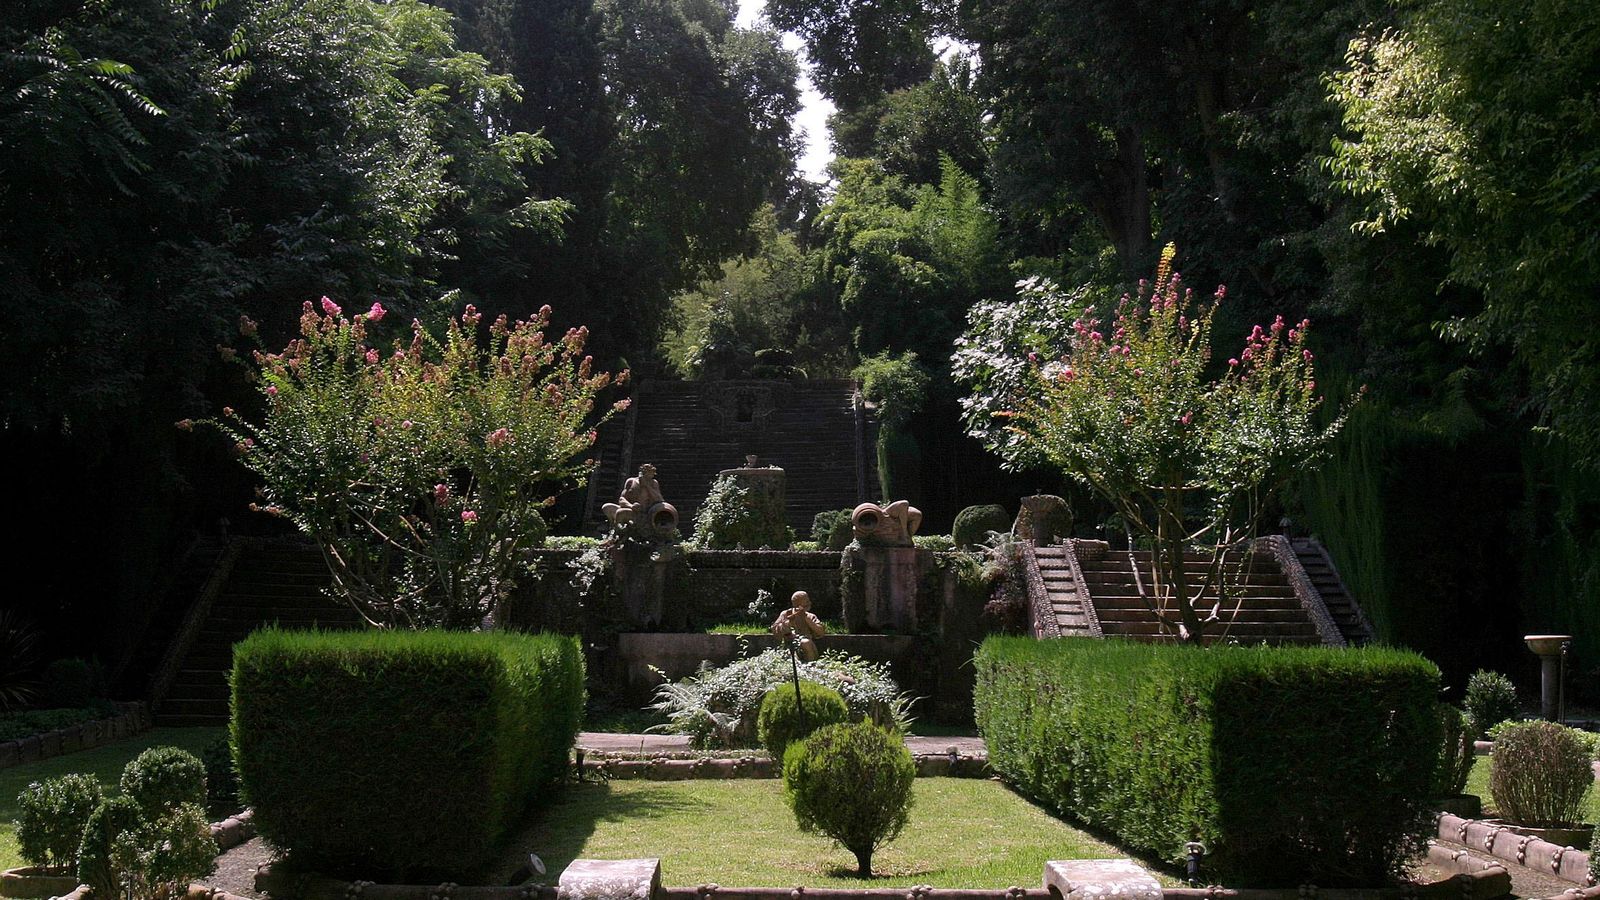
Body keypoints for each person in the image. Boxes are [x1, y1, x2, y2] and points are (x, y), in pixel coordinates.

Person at [770, 590, 826, 661]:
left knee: (805, 642)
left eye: (808, 601)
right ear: (797, 603)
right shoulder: (785, 614)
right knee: (791, 650)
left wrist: (808, 620)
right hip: (789, 645)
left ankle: (810, 665)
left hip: (808, 647)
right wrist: (787, 624)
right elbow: (775, 630)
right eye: (806, 601)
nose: (809, 603)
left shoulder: (810, 616)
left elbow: (821, 632)